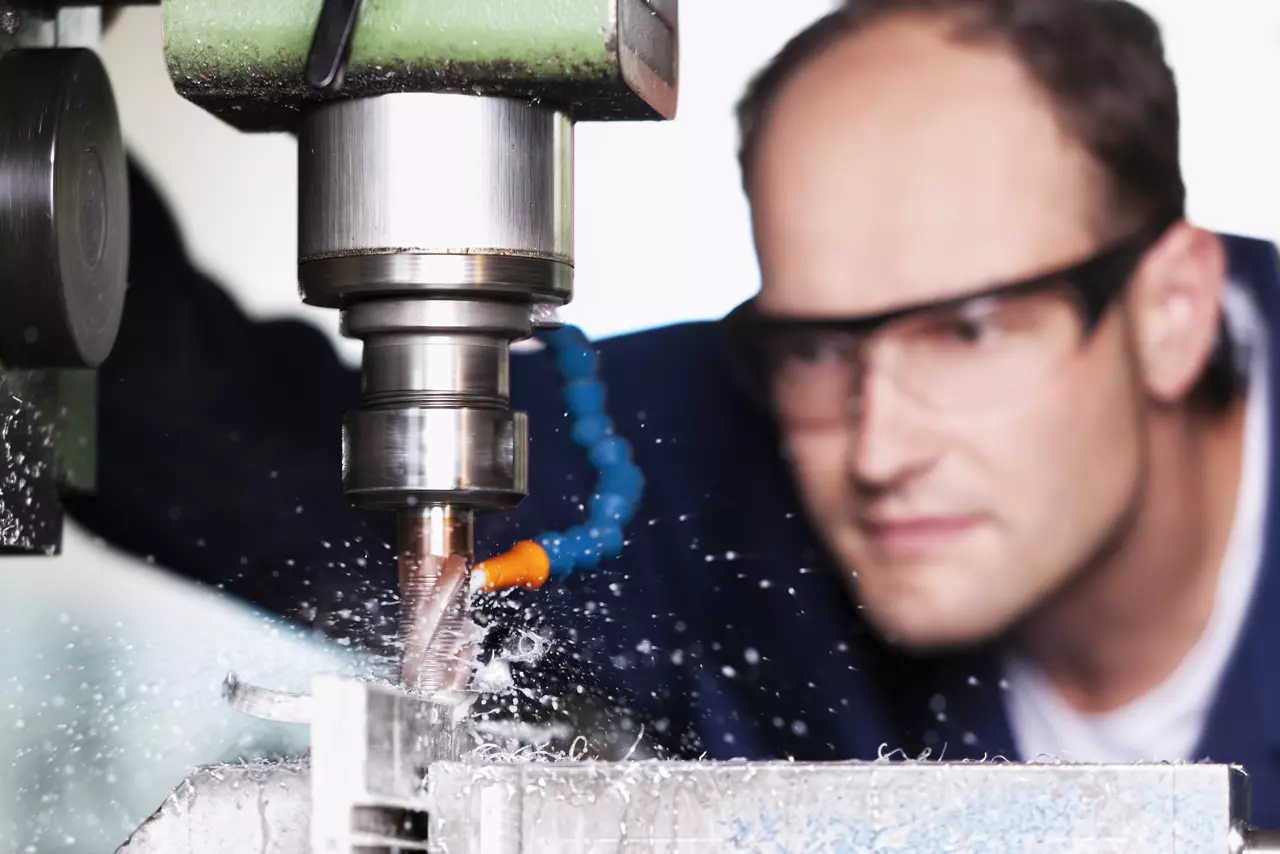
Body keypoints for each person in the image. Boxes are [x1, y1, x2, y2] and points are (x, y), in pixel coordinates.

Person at [65, 0, 1280, 823]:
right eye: (813, 342)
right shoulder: (713, 456)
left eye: (964, 329)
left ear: (1170, 307)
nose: (877, 448)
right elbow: (248, 462)